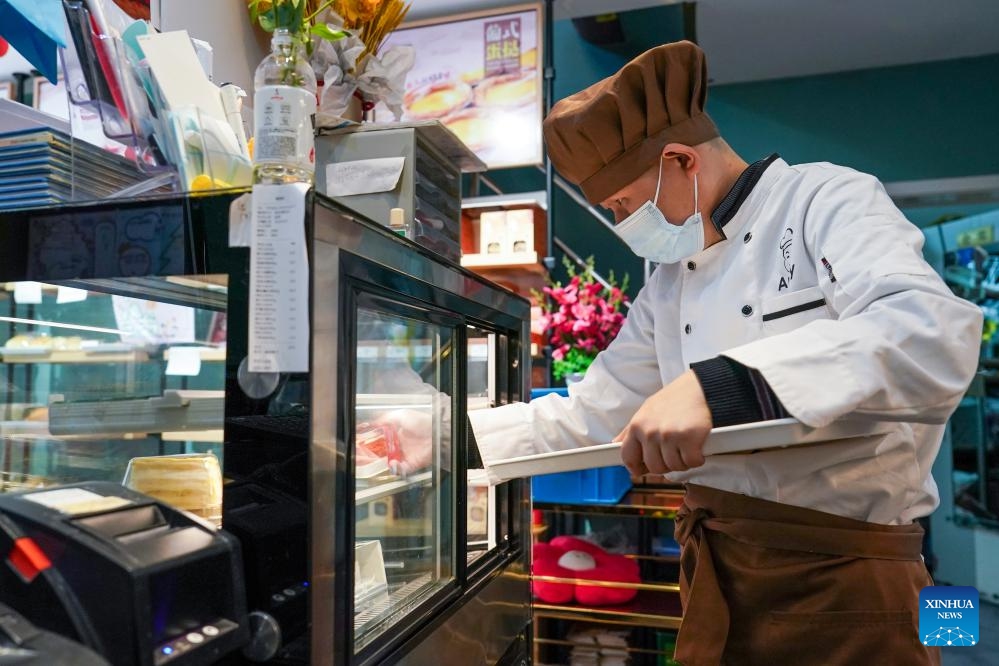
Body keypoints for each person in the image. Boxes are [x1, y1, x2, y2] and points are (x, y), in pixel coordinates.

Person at [465, 41, 983, 665]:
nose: (625, 225)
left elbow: (928, 334)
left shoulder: (826, 200)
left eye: (624, 206)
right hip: (718, 575)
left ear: (680, 160)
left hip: (847, 578)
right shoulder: (669, 282)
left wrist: (721, 385)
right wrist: (450, 440)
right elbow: (593, 411)